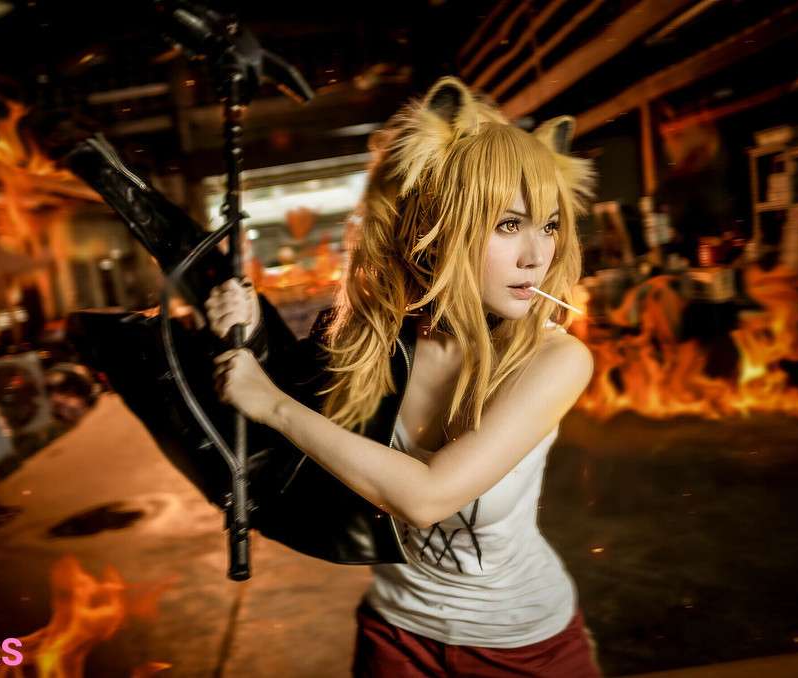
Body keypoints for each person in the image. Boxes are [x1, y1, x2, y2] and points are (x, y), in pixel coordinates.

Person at [205, 77, 602, 677]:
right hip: (395, 633)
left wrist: (274, 406)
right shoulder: (379, 341)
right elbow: (299, 406)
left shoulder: (557, 360)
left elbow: (425, 498)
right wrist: (248, 323)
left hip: (521, 644)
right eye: (507, 224)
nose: (536, 255)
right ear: (437, 226)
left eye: (548, 225)